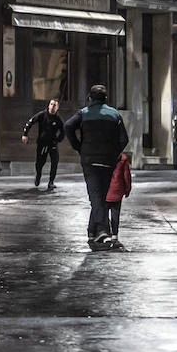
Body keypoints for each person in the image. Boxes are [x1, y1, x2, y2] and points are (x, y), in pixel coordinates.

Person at [64, 84, 129, 250]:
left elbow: (68, 126)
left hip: (89, 161)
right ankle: (93, 232)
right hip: (107, 162)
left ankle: (102, 232)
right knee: (100, 198)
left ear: (90, 98)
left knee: (96, 197)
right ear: (105, 99)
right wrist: (114, 153)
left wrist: (79, 147)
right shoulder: (115, 114)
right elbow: (124, 140)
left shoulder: (84, 113)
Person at [20, 98, 65, 188]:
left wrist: (58, 139)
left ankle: (51, 182)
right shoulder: (42, 115)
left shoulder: (58, 118)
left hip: (52, 143)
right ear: (49, 105)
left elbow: (63, 130)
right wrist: (25, 134)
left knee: (55, 162)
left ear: (57, 108)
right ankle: (38, 176)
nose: (53, 107)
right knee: (40, 162)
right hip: (42, 142)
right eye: (51, 104)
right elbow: (30, 122)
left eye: (55, 105)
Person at [105, 151, 132, 247]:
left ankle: (106, 232)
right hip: (117, 190)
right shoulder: (123, 159)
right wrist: (127, 189)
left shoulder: (105, 157)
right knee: (115, 214)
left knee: (103, 213)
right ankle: (115, 235)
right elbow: (126, 176)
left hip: (105, 190)